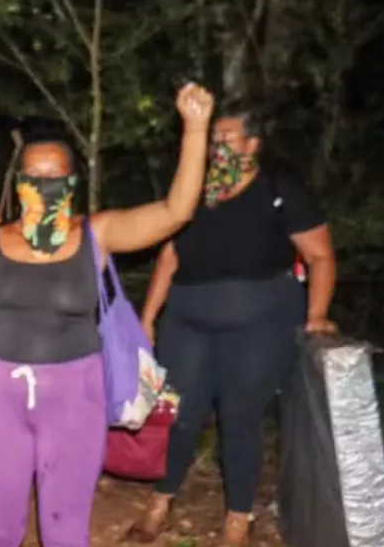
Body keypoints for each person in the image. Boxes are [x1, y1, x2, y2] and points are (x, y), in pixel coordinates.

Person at [0, 83, 215, 547]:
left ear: (71, 184)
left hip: (75, 395)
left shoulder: (96, 234)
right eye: (32, 178)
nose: (42, 188)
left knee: (65, 529)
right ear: (19, 184)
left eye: (53, 179)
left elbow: (176, 211)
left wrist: (195, 129)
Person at [127, 106, 337, 546]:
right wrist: (147, 318)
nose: (216, 147)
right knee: (179, 416)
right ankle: (161, 500)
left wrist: (316, 314)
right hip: (187, 321)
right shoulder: (194, 191)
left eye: (226, 138)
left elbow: (319, 255)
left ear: (252, 145)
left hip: (260, 324)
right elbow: (169, 256)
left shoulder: (278, 190)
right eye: (213, 140)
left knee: (240, 419)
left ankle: (237, 519)